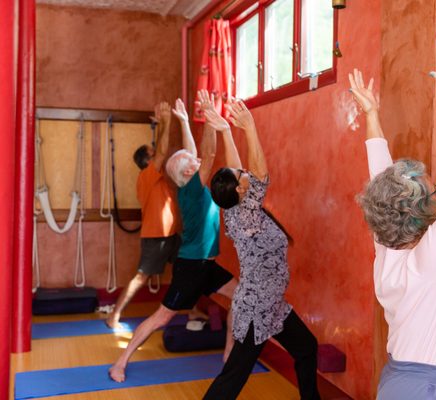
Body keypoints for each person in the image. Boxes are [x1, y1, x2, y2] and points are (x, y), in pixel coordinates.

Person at [348, 33, 436, 399]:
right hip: (426, 391)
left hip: (404, 383)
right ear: (422, 214)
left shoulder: (387, 251)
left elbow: (382, 181)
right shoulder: (428, 261)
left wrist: (371, 116)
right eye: (435, 191)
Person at [109, 94, 238, 382]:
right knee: (162, 317)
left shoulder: (192, 185)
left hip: (207, 266)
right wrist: (207, 116)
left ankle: (229, 354)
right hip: (191, 268)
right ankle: (120, 362)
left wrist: (184, 120)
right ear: (190, 172)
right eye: (193, 163)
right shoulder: (193, 189)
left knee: (241, 296)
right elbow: (208, 151)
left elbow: (194, 153)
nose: (198, 161)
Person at [204, 98, 320, 400]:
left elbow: (238, 170)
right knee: (234, 377)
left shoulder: (234, 204)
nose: (245, 174)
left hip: (272, 304)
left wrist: (226, 131)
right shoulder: (247, 213)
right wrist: (250, 128)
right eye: (243, 178)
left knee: (307, 348)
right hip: (256, 308)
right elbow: (260, 172)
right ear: (242, 189)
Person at [106, 102, 180, 329]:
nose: (157, 155)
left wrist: (159, 125)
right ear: (148, 162)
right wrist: (167, 121)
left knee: (186, 270)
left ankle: (192, 308)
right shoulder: (148, 175)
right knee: (141, 278)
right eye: (152, 154)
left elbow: (159, 148)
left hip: (172, 234)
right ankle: (114, 315)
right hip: (156, 237)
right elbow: (162, 150)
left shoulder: (156, 176)